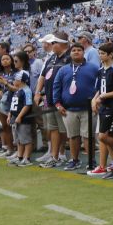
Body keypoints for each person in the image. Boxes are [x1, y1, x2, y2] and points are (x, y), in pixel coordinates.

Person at [53, 42, 100, 172]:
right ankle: (74, 160)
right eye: (74, 50)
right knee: (72, 136)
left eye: (79, 50)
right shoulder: (63, 70)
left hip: (88, 109)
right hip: (68, 109)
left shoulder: (94, 68)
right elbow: (56, 87)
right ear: (70, 53)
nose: (76, 52)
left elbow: (100, 86)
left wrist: (97, 101)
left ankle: (91, 161)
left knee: (88, 136)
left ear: (83, 52)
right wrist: (57, 104)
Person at [90, 42, 113, 179]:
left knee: (103, 136)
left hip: (112, 107)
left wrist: (105, 96)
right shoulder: (100, 70)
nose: (100, 56)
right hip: (103, 107)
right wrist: (94, 99)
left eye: (103, 53)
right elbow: (98, 89)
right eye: (99, 53)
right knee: (108, 136)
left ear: (111, 54)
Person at [35, 33, 70, 168]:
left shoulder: (69, 58)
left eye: (54, 43)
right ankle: (54, 156)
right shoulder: (52, 58)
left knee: (63, 130)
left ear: (61, 44)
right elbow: (43, 76)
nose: (51, 45)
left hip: (61, 100)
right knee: (53, 129)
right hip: (49, 99)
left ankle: (62, 155)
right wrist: (38, 92)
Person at [7, 69, 34, 167]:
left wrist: (19, 116)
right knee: (18, 139)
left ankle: (27, 158)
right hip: (15, 117)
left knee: (25, 139)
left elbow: (27, 105)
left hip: (24, 119)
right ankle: (20, 157)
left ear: (21, 80)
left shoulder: (27, 91)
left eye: (15, 79)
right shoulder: (18, 90)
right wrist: (10, 114)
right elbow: (13, 104)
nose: (13, 81)